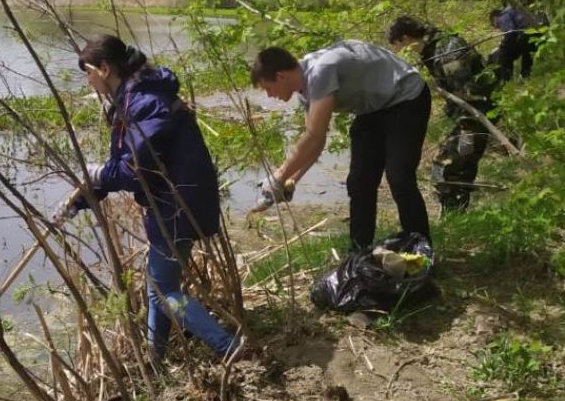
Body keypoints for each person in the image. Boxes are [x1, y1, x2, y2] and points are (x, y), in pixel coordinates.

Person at [66, 34, 237, 361]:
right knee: (158, 286)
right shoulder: (132, 97)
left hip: (177, 204)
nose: (86, 80)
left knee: (163, 290)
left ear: (104, 69)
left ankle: (227, 346)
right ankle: (153, 356)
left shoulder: (143, 102)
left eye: (87, 72)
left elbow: (131, 169)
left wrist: (98, 173)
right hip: (172, 202)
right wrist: (80, 201)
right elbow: (125, 164)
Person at [250, 41, 431, 250]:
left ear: (281, 76)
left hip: (407, 97)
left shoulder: (321, 71)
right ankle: (358, 251)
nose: (269, 95)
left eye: (268, 88)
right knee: (359, 182)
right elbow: (316, 142)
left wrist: (277, 177)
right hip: (373, 109)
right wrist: (290, 181)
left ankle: (421, 247)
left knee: (399, 177)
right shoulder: (305, 91)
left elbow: (312, 135)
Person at [387, 15, 497, 212]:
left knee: (452, 166)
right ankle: (454, 213)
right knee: (446, 165)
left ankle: (455, 213)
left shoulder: (447, 48)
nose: (400, 51)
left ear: (405, 38)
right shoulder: (432, 49)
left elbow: (469, 91)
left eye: (398, 46)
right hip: (467, 115)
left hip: (476, 114)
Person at [488, 5, 537, 81]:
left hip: (528, 34)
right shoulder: (511, 10)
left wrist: (502, 46)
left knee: (505, 54)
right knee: (523, 49)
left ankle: (507, 80)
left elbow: (510, 34)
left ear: (494, 18)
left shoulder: (502, 17)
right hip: (534, 31)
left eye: (494, 25)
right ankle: (525, 73)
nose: (498, 27)